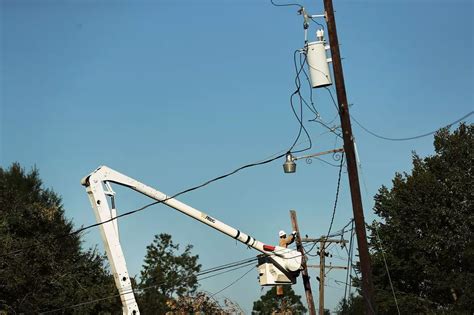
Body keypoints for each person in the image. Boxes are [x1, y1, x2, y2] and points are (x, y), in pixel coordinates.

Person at [276, 230, 297, 297]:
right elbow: (288, 240)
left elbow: (289, 241)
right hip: (283, 257)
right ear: (282, 235)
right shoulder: (282, 240)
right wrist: (292, 234)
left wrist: (293, 237)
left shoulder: (283, 241)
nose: (285, 236)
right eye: (284, 235)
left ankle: (279, 292)